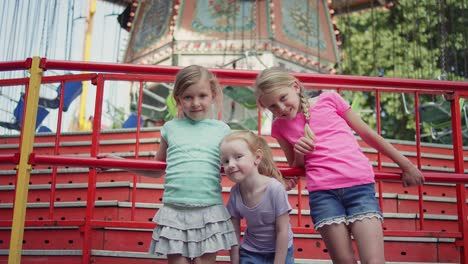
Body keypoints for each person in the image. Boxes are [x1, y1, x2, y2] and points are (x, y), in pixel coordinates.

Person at [253, 67, 425, 264]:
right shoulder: (279, 126)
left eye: (283, 98)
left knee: (374, 260)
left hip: (359, 187)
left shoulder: (329, 99)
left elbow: (368, 134)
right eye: (273, 107)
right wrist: (300, 153)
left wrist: (406, 165)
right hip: (323, 195)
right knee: (343, 261)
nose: (281, 109)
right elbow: (296, 166)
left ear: (295, 87)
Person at [102, 65, 237, 264]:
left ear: (213, 95)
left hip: (209, 209)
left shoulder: (222, 130)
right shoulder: (170, 128)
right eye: (188, 97)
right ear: (178, 99)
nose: (195, 103)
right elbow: (157, 169)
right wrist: (120, 162)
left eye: (202, 96)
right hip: (175, 210)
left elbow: (237, 165)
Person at [220, 130, 295, 264]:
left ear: (257, 158)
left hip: (280, 251)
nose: (230, 165)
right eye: (226, 161)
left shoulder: (275, 189)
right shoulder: (235, 192)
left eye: (238, 157)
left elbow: (282, 231)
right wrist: (235, 261)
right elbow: (234, 232)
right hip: (251, 251)